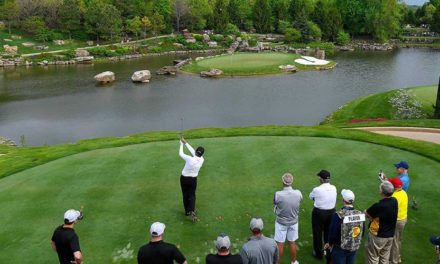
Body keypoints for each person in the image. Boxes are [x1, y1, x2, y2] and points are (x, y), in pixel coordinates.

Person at [328, 189, 365, 264]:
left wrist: (330, 243)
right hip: (354, 246)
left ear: (343, 200)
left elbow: (333, 232)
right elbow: (362, 232)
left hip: (340, 247)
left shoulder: (338, 215)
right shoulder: (360, 214)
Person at [365, 181, 398, 264]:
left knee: (373, 258)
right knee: (384, 258)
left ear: (381, 192)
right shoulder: (394, 201)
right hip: (390, 235)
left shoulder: (379, 205)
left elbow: (367, 214)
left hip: (378, 236)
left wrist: (366, 212)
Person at [273, 173, 302, 264]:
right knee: (292, 242)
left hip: (281, 222)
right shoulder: (298, 193)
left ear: (283, 182)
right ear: (291, 182)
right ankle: (293, 262)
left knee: (280, 244)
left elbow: (274, 203)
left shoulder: (278, 194)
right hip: (293, 222)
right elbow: (300, 200)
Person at [309, 169, 337, 259]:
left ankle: (318, 254)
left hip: (319, 213)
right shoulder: (334, 187)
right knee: (328, 233)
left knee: (317, 233)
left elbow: (311, 197)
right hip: (332, 212)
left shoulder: (317, 189)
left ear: (321, 179)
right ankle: (328, 252)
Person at [179, 136, 205, 220]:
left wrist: (181, 144)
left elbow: (181, 154)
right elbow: (194, 152)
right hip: (193, 179)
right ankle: (192, 210)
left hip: (184, 179)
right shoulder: (202, 160)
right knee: (192, 195)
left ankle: (187, 211)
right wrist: (185, 142)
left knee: (185, 194)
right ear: (202, 154)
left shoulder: (190, 159)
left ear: (196, 151)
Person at [388, 178, 408, 264]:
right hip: (403, 219)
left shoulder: (394, 197)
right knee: (398, 239)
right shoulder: (404, 192)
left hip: (397, 221)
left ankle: (394, 261)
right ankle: (398, 256)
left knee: (394, 241)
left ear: (394, 187)